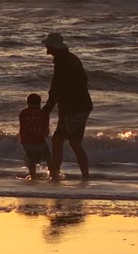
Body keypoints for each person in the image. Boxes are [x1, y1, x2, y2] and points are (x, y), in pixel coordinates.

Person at [41, 33, 93, 179]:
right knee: (67, 141)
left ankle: (61, 174)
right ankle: (77, 175)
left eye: (48, 47)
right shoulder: (70, 59)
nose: (46, 50)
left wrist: (48, 108)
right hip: (77, 106)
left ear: (54, 47)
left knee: (66, 141)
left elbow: (56, 87)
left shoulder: (63, 62)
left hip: (75, 108)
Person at [19, 93, 53, 179]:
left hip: (26, 141)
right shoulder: (43, 113)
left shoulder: (23, 112)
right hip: (39, 140)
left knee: (30, 157)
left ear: (28, 102)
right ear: (40, 103)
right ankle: (53, 174)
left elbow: (22, 126)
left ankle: (32, 175)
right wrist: (45, 134)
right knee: (48, 157)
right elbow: (46, 129)